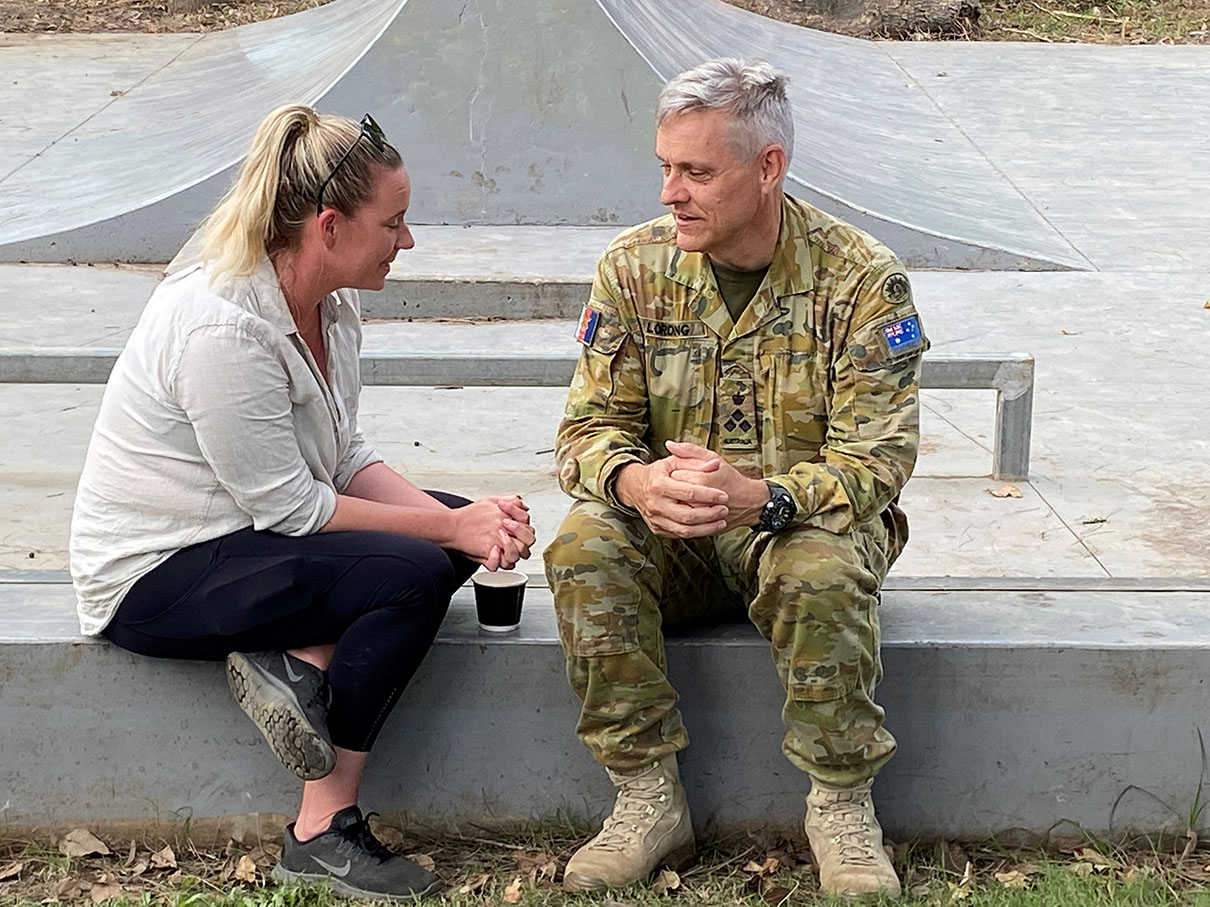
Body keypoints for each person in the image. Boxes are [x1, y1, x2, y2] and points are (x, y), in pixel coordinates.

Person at [69, 104, 535, 901]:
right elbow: (295, 507)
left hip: (247, 540)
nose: (408, 241)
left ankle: (300, 660)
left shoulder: (330, 300)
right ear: (328, 224)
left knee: (447, 534)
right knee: (416, 572)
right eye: (394, 223)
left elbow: (342, 456)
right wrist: (446, 526)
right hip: (156, 576)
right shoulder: (220, 327)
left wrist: (468, 521)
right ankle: (323, 828)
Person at [543, 58, 927, 898]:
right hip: (673, 532)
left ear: (768, 169)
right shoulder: (635, 268)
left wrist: (769, 497)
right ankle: (647, 797)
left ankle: (841, 805)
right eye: (665, 167)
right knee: (582, 544)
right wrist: (636, 484)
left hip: (793, 528)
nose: (669, 193)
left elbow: (880, 461)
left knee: (819, 564)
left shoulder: (861, 278)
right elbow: (584, 432)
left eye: (697, 172)